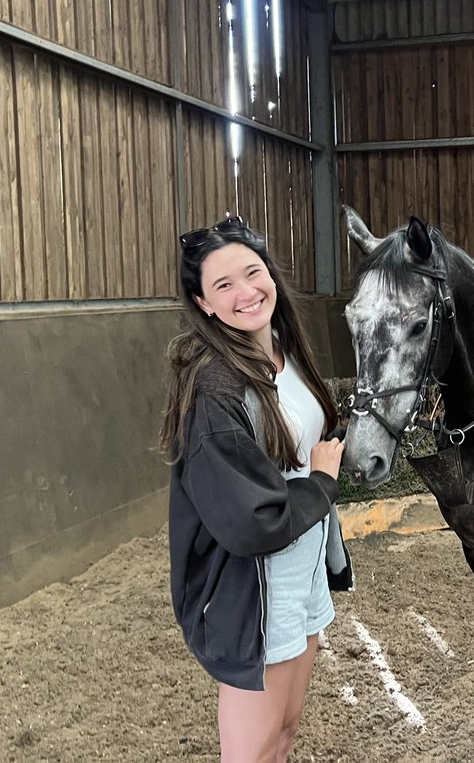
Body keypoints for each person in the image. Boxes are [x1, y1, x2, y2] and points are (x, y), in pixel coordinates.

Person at [159, 215, 349, 762]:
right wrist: (321, 484)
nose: (246, 292)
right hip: (257, 588)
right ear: (203, 304)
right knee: (251, 754)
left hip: (303, 570)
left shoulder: (283, 349)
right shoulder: (214, 386)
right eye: (223, 285)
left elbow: (310, 430)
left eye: (253, 271)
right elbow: (249, 520)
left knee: (284, 736)